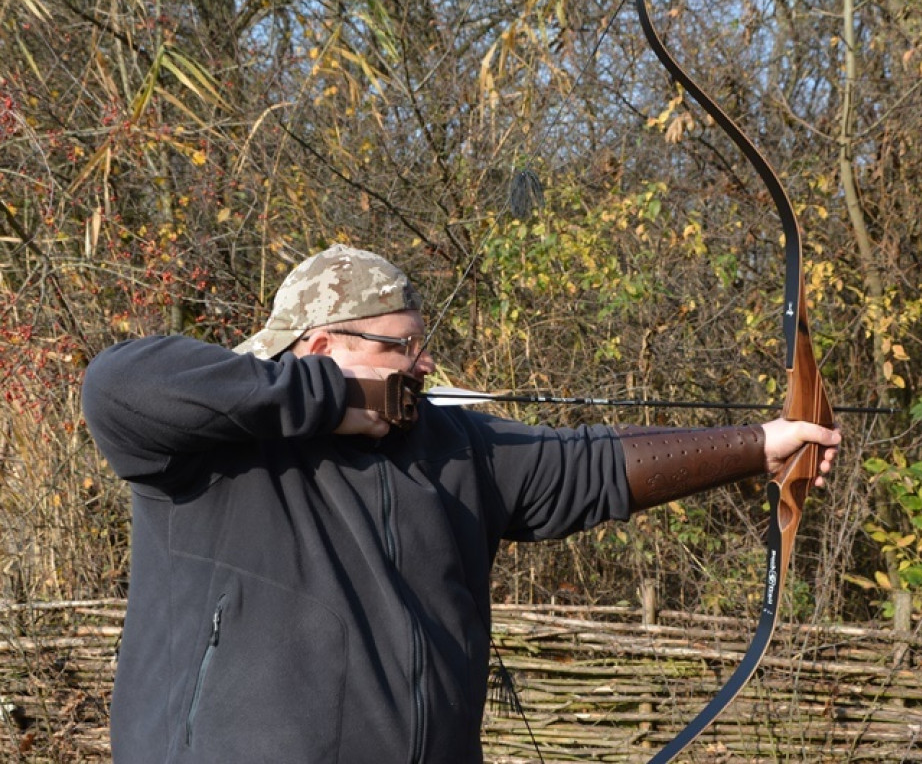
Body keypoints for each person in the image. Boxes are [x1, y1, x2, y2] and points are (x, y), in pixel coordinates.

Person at [82, 244, 840, 763]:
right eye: (400, 347)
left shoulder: (449, 448)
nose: (422, 362)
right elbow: (115, 385)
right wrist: (327, 400)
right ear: (319, 349)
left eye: (420, 345)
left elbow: (590, 467)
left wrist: (759, 445)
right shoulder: (211, 448)